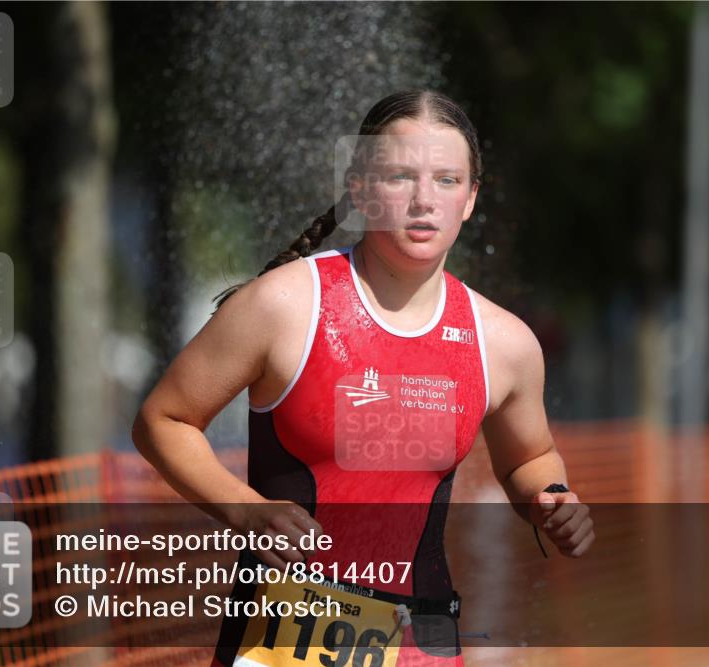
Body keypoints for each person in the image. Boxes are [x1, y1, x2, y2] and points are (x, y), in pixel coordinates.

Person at [132, 89, 595, 667]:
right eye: (401, 176)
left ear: (471, 198)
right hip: (280, 643)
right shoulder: (283, 306)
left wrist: (551, 499)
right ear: (360, 190)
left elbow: (530, 457)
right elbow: (163, 420)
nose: (424, 201)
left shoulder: (504, 343)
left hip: (422, 642)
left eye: (447, 181)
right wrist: (243, 510)